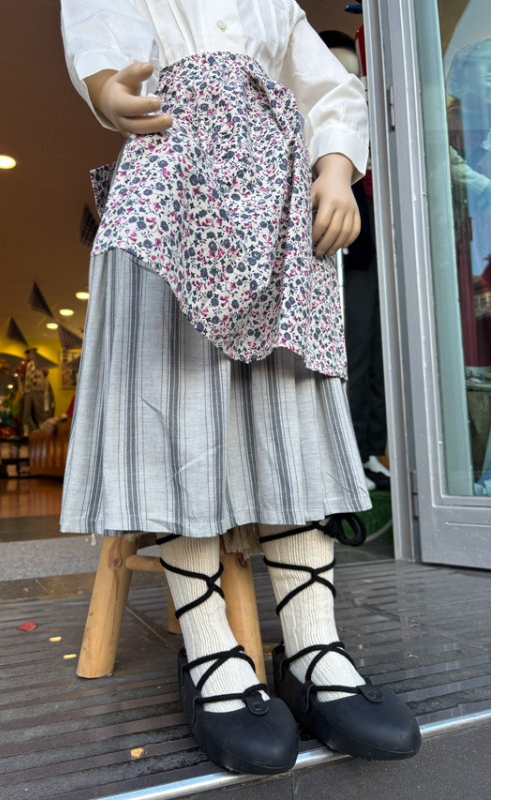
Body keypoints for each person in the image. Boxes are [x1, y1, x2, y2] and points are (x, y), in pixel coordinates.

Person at [59, 0, 421, 774]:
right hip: (172, 180)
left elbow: (327, 87)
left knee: (292, 401)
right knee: (176, 398)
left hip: (276, 195)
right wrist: (106, 92)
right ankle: (209, 646)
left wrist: (335, 167)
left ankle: (312, 641)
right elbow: (101, 36)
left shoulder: (274, 6)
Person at [319, 30, 391, 492]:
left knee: (375, 353)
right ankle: (351, 455)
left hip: (370, 247)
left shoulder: (367, 116)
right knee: (351, 353)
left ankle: (370, 449)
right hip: (333, 247)